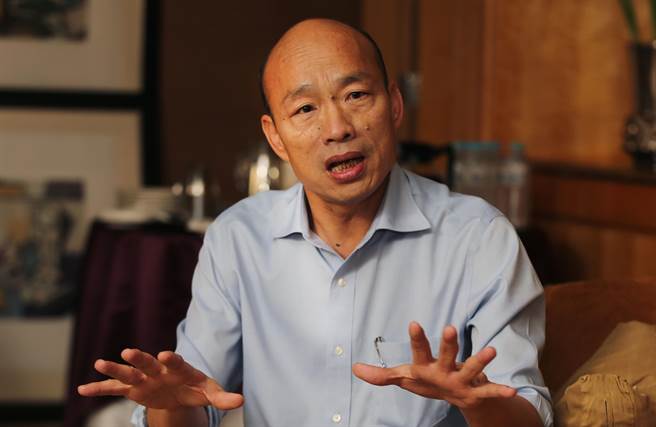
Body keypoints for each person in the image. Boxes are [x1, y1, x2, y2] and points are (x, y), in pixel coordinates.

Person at [78, 18, 553, 427]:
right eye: (305, 108)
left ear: (394, 104)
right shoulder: (238, 238)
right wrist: (168, 408)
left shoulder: (478, 237)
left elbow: (528, 415)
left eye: (356, 95)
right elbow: (199, 403)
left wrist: (475, 403)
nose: (337, 128)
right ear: (276, 137)